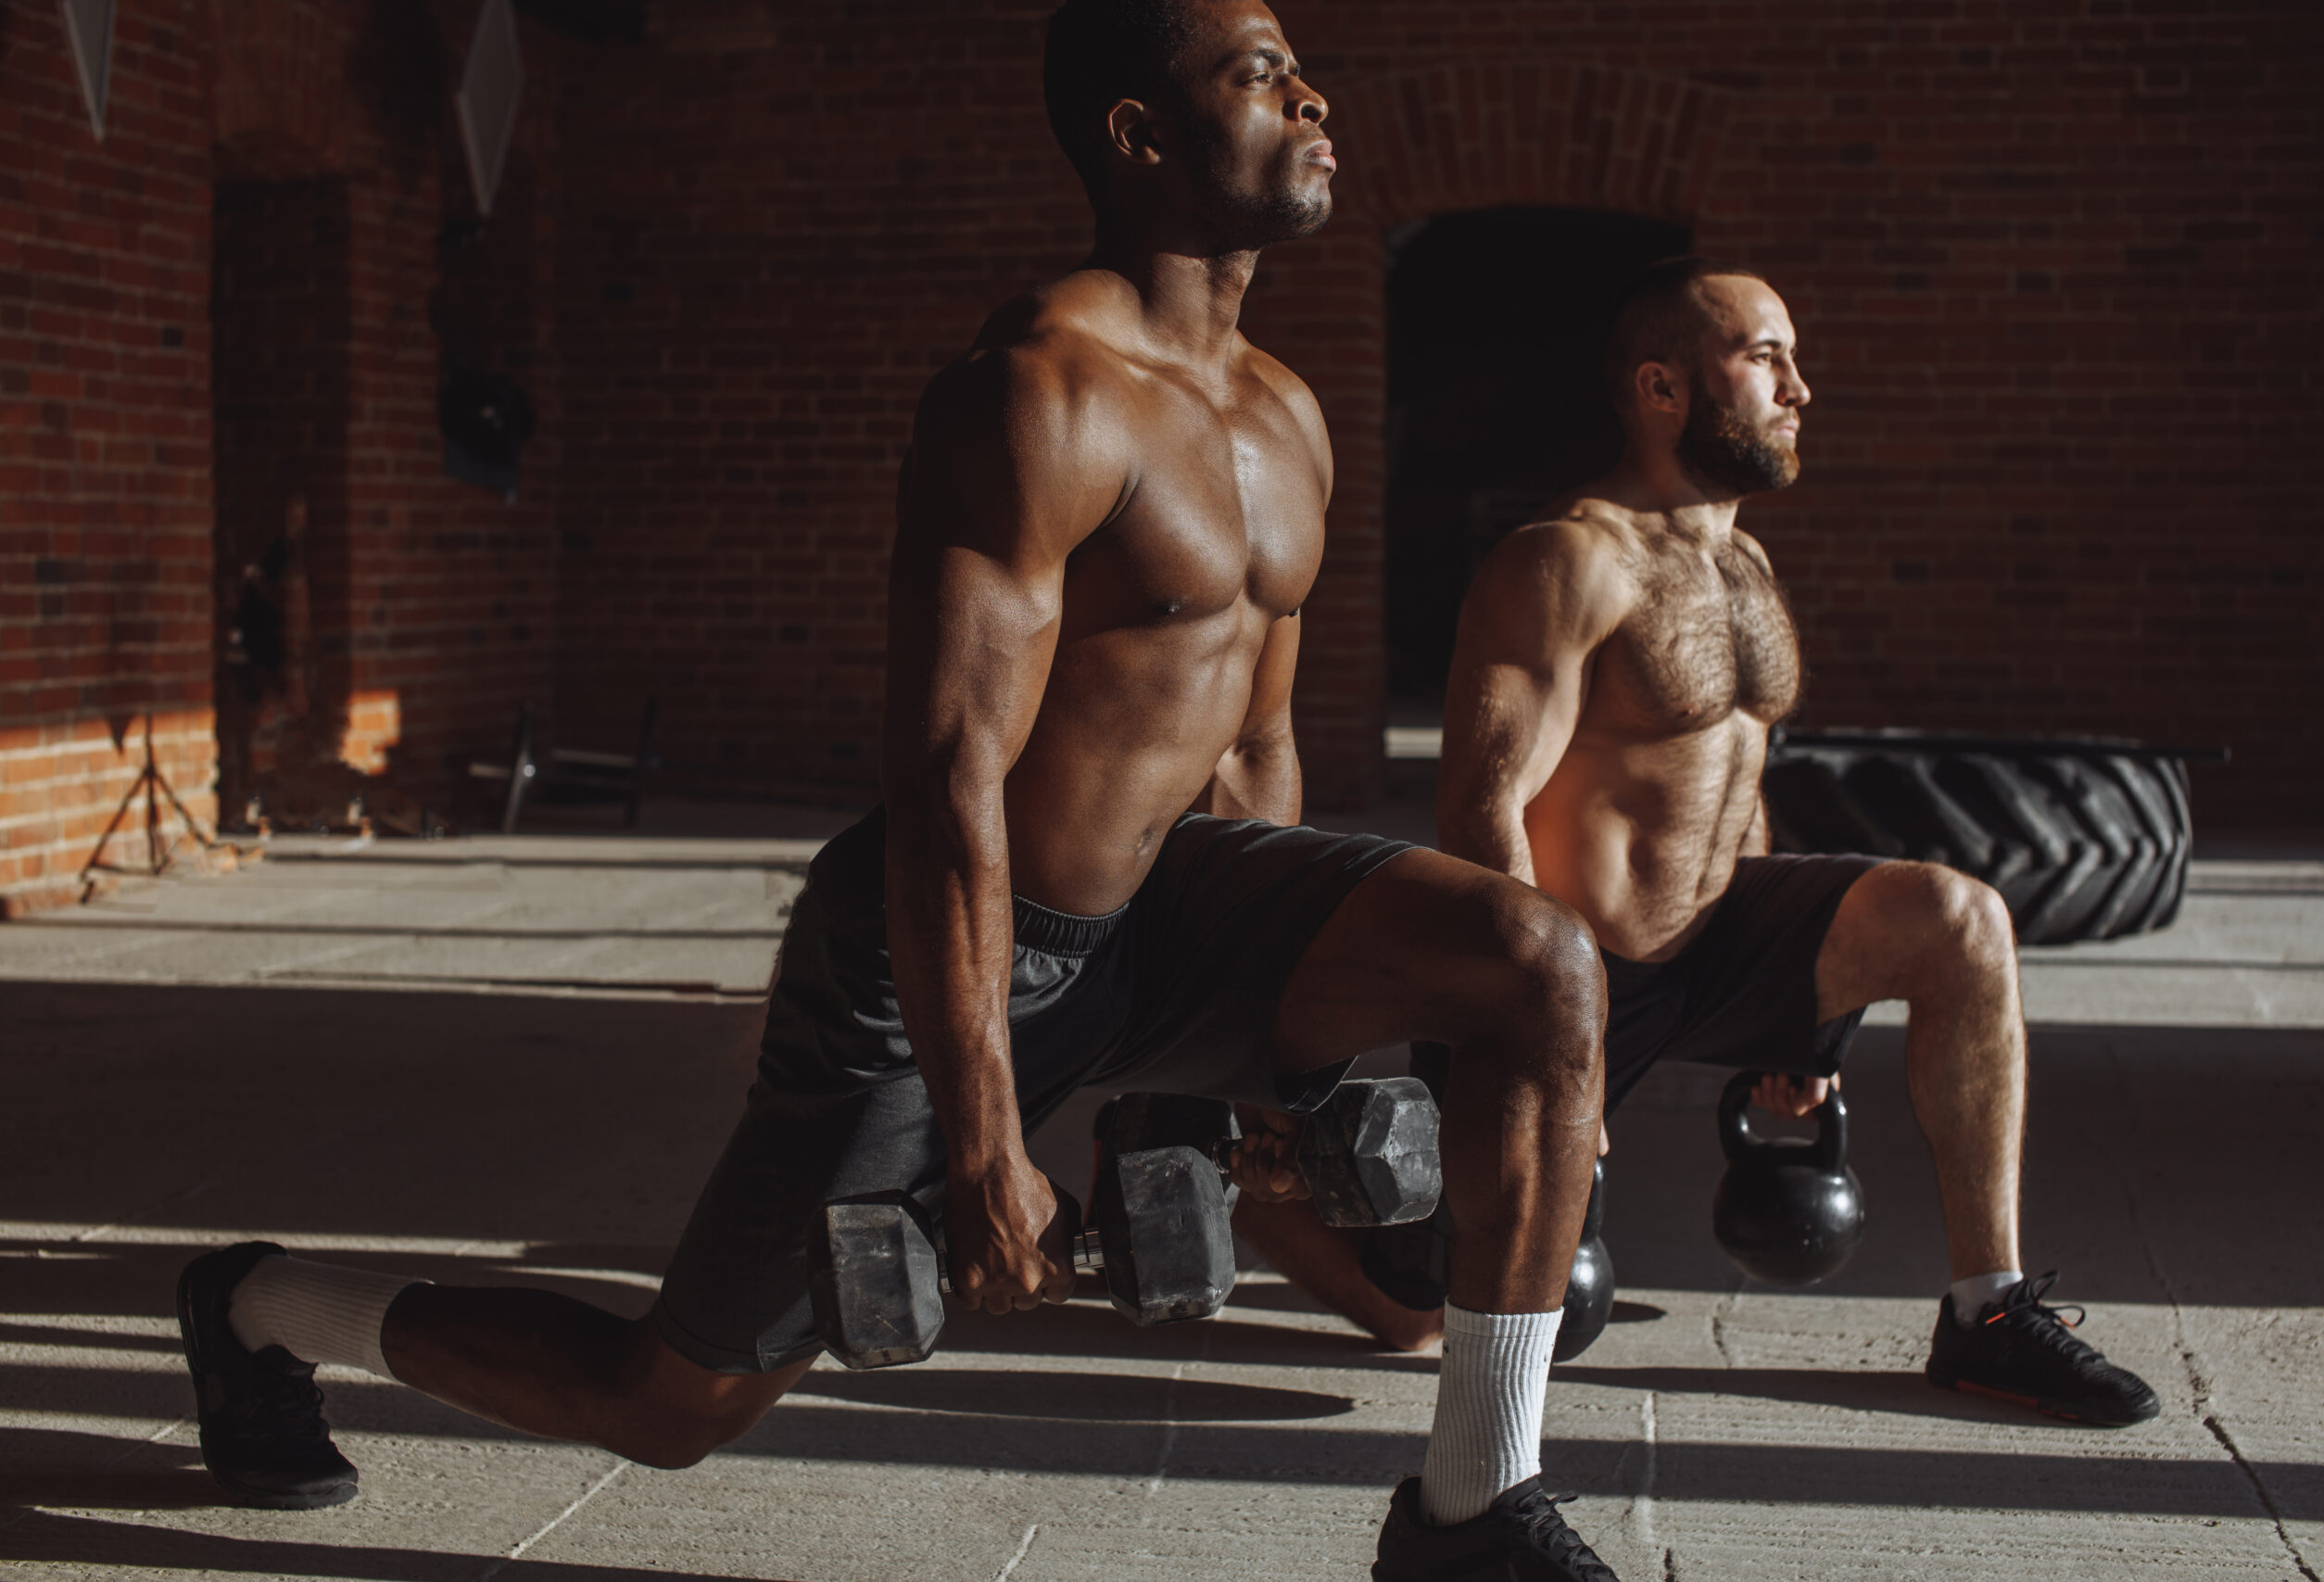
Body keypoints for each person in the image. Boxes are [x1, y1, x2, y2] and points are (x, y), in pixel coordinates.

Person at [173, 4, 1625, 1576]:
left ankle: (1476, 1505)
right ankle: (258, 1302)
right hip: (953, 949)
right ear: (1140, 135)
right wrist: (985, 1135)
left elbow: (1252, 748)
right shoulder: (1039, 390)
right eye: (1261, 75)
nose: (1311, 93)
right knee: (673, 1404)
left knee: (1534, 962)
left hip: (1173, 916)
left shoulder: (1286, 409)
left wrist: (1248, 1060)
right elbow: (945, 776)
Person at [1246, 257, 2161, 1430]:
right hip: (1573, 970)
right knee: (1417, 1313)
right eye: (1765, 357)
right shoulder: (1566, 560)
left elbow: (1738, 783)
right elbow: (1482, 806)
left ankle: (1987, 1312)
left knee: (1960, 919)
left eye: (1793, 357)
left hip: (1721, 935)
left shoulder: (1741, 560)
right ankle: (1255, 1197)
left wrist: (1801, 1010)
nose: (1799, 388)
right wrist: (1539, 1028)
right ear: (1662, 387)